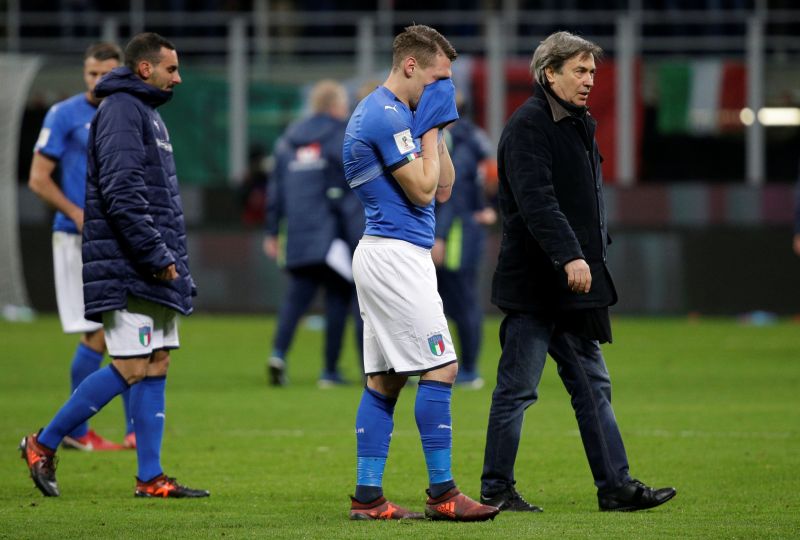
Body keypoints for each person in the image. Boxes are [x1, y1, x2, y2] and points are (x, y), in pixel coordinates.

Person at [479, 31, 676, 513]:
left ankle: (616, 487)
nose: (589, 80)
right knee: (518, 390)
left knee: (593, 385)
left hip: (572, 286)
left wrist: (587, 256)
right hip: (535, 284)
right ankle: (496, 489)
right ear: (550, 73)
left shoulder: (577, 122)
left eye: (592, 71)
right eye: (580, 71)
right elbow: (537, 201)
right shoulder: (529, 125)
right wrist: (570, 255)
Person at [20, 32, 208, 499]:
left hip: (151, 262)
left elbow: (158, 199)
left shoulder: (145, 112)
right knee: (129, 365)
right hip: (130, 266)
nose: (178, 78)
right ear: (146, 68)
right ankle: (43, 442)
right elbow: (123, 193)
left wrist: (173, 260)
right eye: (171, 69)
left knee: (157, 361)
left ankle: (151, 477)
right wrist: (155, 254)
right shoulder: (122, 110)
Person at [342, 24, 499, 522]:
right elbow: (423, 190)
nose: (445, 88)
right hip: (395, 255)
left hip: (390, 252)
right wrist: (428, 130)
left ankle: (368, 498)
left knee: (385, 380)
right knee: (442, 366)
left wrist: (436, 128)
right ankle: (443, 494)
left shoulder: (399, 113)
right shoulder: (384, 114)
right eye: (439, 78)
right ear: (411, 66)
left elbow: (445, 185)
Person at [28, 42, 135, 451]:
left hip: (120, 235)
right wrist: (75, 212)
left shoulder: (127, 113)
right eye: (92, 74)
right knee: (98, 332)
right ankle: (75, 431)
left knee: (128, 330)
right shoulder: (64, 114)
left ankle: (131, 430)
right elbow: (38, 179)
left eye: (106, 74)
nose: (97, 81)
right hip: (79, 237)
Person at [264, 79, 364, 387]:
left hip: (297, 233)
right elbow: (348, 186)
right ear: (336, 105)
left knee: (296, 299)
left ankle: (278, 354)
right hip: (333, 236)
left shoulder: (288, 141)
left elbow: (276, 191)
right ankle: (330, 370)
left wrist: (272, 231)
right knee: (339, 298)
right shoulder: (341, 135)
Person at [431, 98, 497, 389]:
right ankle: (463, 367)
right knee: (460, 301)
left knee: (458, 302)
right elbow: (492, 180)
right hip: (467, 230)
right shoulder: (478, 139)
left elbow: (451, 192)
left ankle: (468, 369)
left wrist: (440, 236)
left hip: (456, 235)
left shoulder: (455, 142)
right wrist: (489, 207)